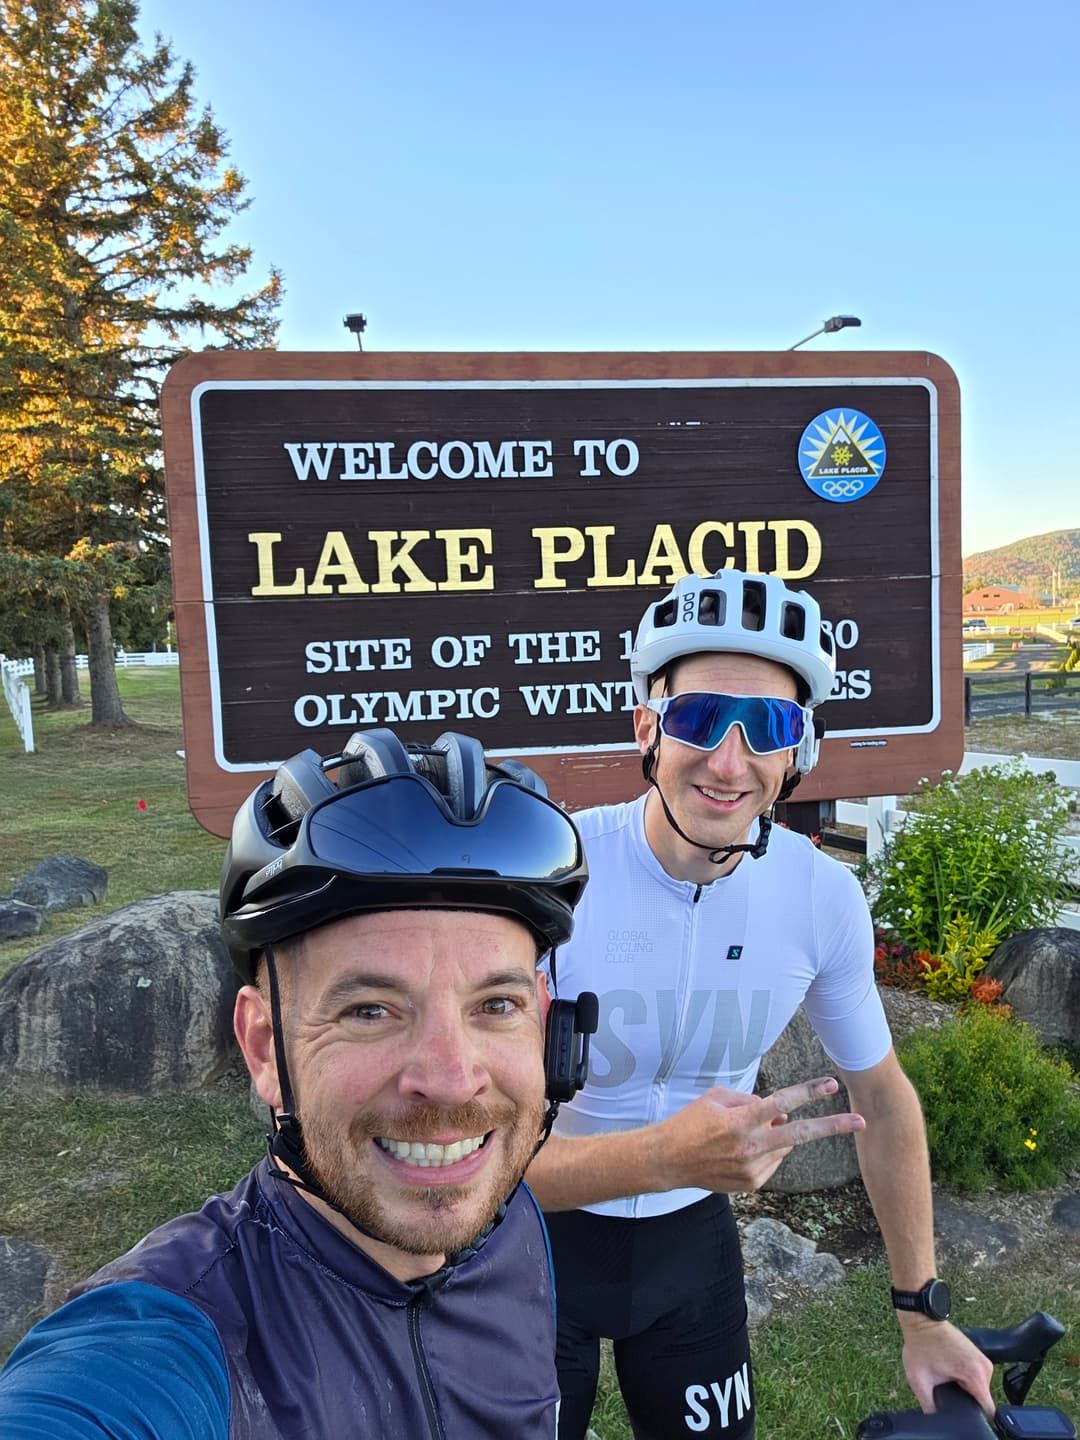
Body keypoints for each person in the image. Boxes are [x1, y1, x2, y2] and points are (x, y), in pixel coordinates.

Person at [0, 727, 595, 1439]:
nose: (452, 1080)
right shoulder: (176, 1338)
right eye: (369, 1010)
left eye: (496, 1006)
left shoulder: (511, 1222)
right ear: (263, 1047)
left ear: (549, 1031)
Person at [524, 569, 996, 1439]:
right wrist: (666, 1155)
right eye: (700, 717)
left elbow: (884, 1100)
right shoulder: (555, 874)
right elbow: (477, 1158)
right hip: (530, 1249)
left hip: (689, 1253)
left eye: (769, 728)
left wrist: (921, 1308)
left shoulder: (820, 897)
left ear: (798, 753)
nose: (729, 761)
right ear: (648, 728)